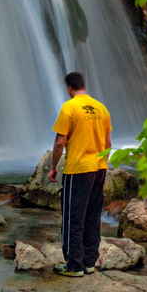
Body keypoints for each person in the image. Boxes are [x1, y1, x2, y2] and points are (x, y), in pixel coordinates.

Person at [48, 71, 112, 278]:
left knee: (72, 217)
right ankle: (89, 263)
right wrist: (101, 162)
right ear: (84, 85)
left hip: (78, 169)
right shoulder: (101, 108)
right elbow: (108, 143)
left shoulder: (69, 107)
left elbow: (60, 141)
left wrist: (53, 166)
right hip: (99, 168)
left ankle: (74, 265)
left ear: (69, 88)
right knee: (92, 216)